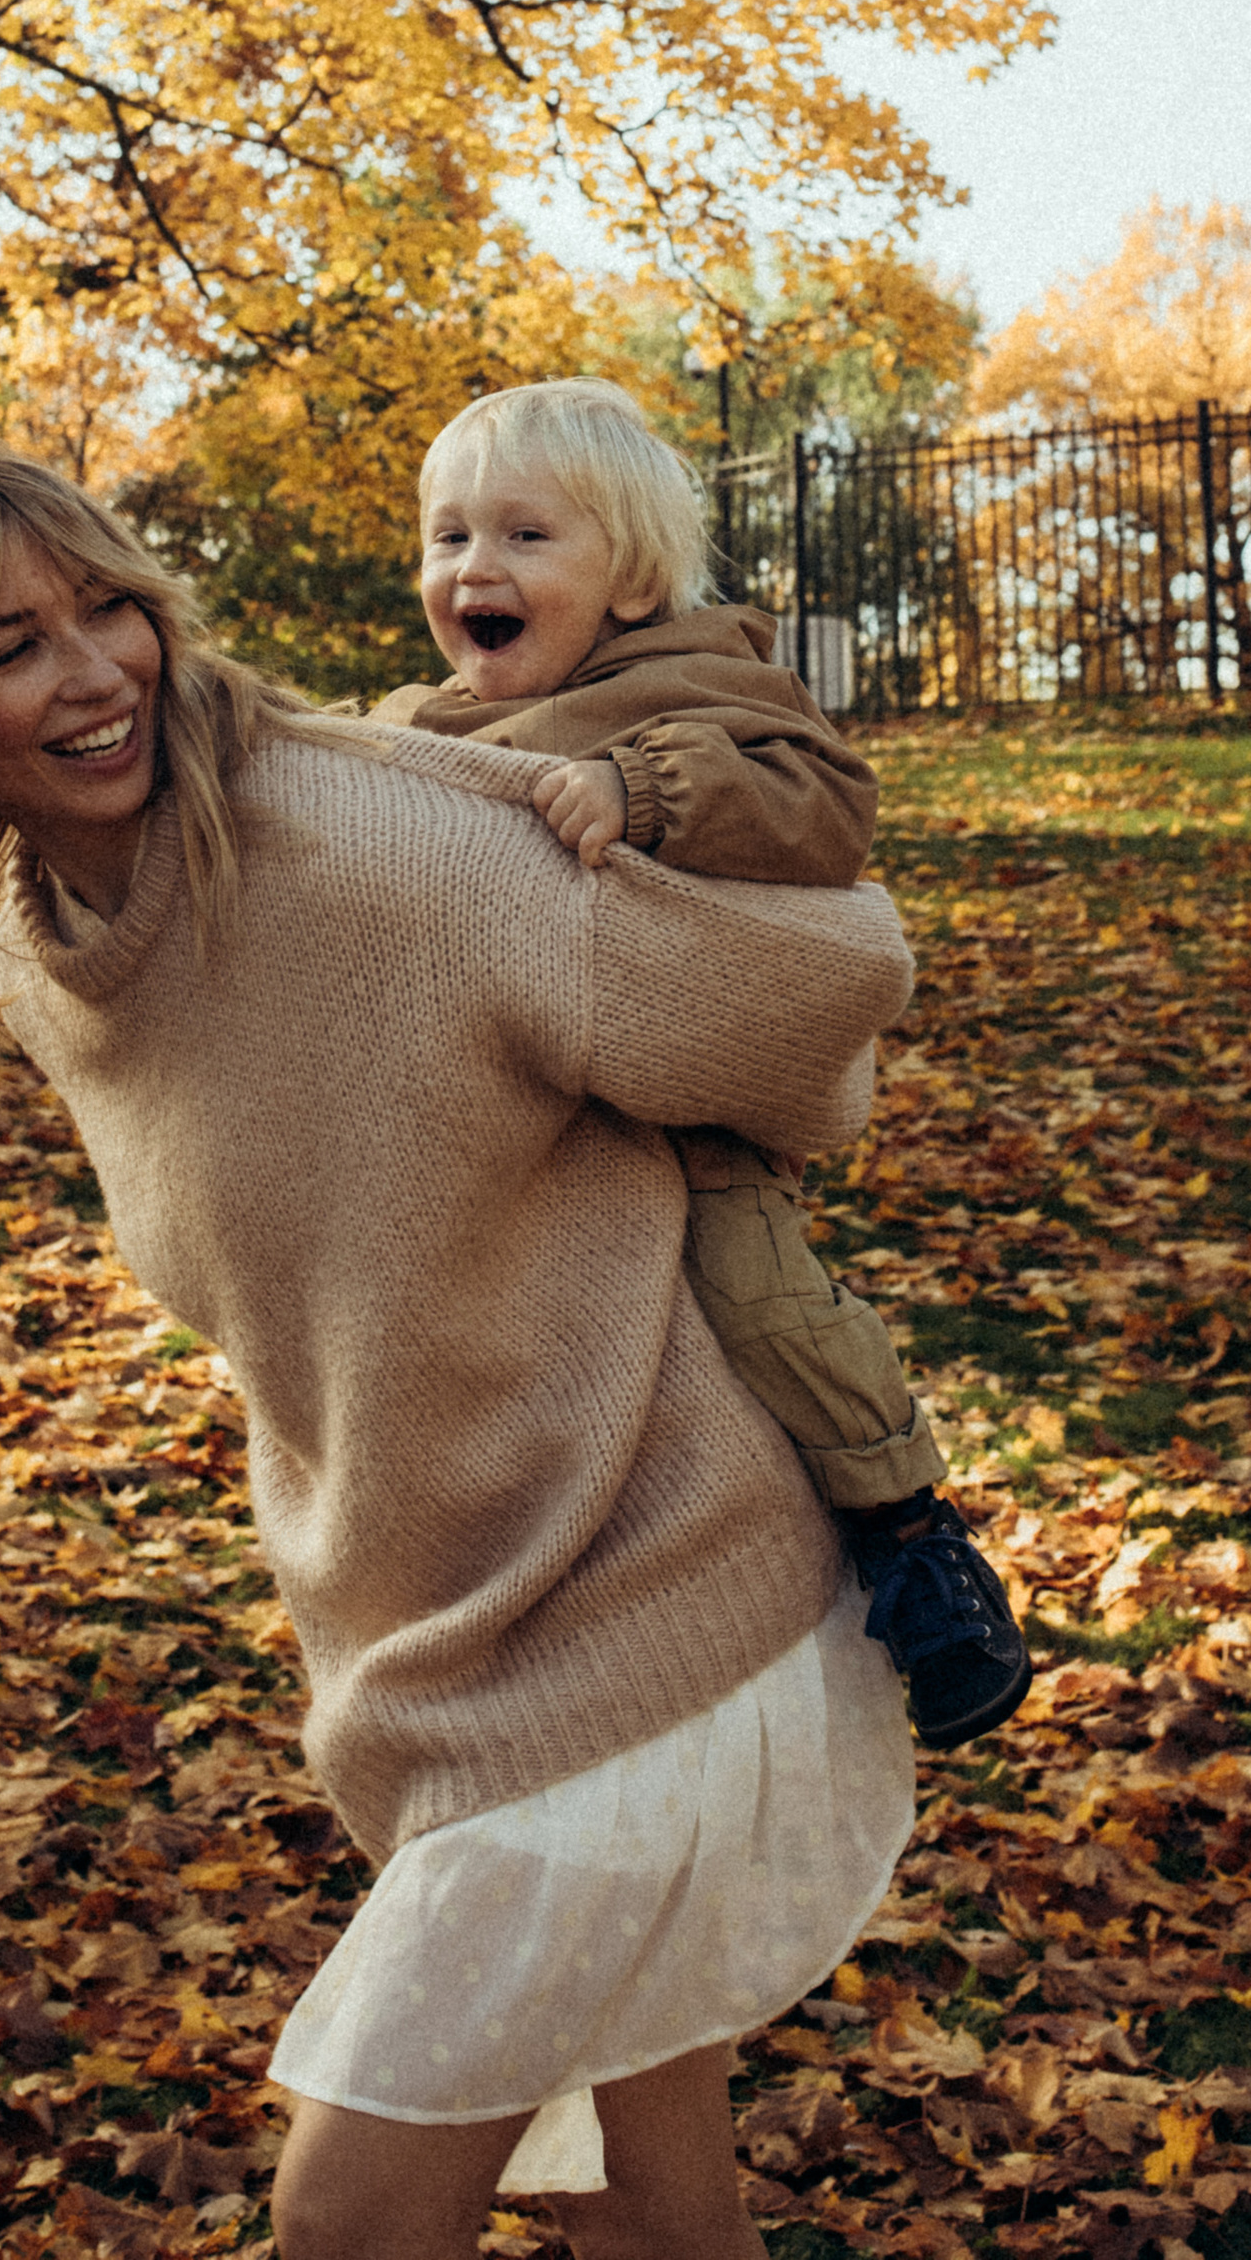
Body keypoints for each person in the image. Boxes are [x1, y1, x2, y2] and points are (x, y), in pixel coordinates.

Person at [0, 442, 925, 2260]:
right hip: (447, 1631)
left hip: (653, 1603)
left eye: (107, 607)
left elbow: (819, 1009)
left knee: (351, 2222)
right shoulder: (47, 946)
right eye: (11, 646)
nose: (96, 671)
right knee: (654, 2216)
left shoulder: (365, 841)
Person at [372, 377, 1030, 1750]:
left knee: (760, 1298)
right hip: (505, 1121)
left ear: (630, 580)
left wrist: (648, 792)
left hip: (688, 1122)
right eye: (447, 539)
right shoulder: (419, 733)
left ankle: (911, 1539)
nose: (473, 569)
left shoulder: (702, 689)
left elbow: (829, 813)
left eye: (523, 538)